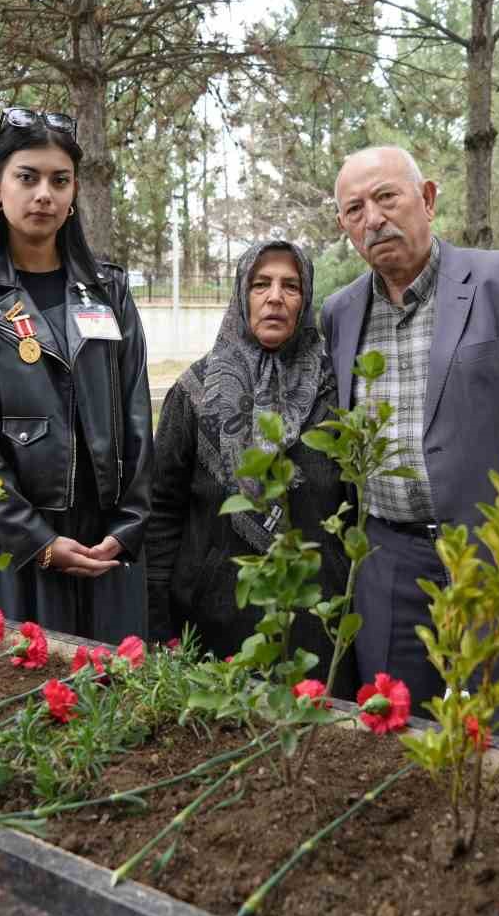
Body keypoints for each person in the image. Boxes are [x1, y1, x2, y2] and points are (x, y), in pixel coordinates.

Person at [321, 146, 499, 750]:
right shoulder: (339, 314)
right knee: (394, 742)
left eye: (387, 197)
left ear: (428, 197)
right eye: (354, 209)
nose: (373, 219)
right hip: (390, 565)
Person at [0, 107, 153, 642]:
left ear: (75, 190)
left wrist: (127, 528)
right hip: (16, 545)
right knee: (26, 696)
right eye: (27, 178)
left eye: (60, 180)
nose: (44, 195)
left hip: (104, 541)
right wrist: (37, 540)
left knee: (112, 694)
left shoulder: (108, 290)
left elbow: (137, 414)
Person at [146, 241, 356, 696]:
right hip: (212, 615)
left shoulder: (336, 393)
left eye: (291, 285)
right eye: (261, 284)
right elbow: (162, 511)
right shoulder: (195, 391)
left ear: (306, 298)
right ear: (242, 294)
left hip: (314, 619)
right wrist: (158, 620)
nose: (275, 297)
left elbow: (355, 509)